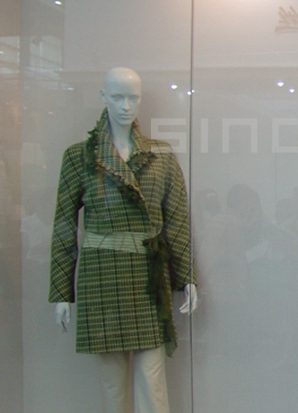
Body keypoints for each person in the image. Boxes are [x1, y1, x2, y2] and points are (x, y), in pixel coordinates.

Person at [48, 67, 197, 413]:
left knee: (152, 381)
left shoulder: (161, 156)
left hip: (148, 279)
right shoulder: (79, 157)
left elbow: (176, 222)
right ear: (103, 97)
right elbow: (64, 226)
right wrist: (62, 293)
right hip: (101, 277)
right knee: (111, 384)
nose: (126, 106)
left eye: (133, 97)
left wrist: (186, 277)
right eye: (117, 97)